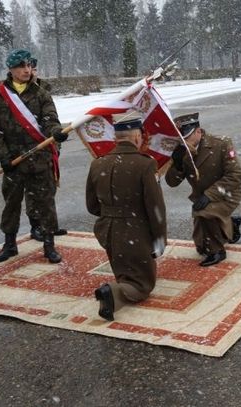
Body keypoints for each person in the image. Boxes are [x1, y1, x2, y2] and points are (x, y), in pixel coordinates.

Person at [0, 49, 68, 264]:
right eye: (22, 66)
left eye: (29, 66)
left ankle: (49, 245)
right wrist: (3, 157)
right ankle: (9, 244)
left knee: (46, 204)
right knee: (11, 204)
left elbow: (50, 117)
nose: (27, 70)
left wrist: (55, 131)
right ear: (11, 70)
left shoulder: (41, 93)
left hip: (39, 158)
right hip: (13, 161)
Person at [86, 112, 167, 321]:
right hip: (135, 230)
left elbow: (92, 205)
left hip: (108, 231)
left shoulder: (98, 163)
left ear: (116, 138)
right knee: (142, 284)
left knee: (124, 269)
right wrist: (159, 240)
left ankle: (119, 286)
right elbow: (155, 209)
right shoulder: (145, 164)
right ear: (137, 137)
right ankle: (113, 294)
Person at [165, 112, 241, 267]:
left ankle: (217, 252)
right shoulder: (182, 150)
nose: (184, 142)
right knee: (201, 246)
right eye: (181, 139)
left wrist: (209, 195)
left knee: (204, 214)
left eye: (186, 137)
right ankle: (230, 226)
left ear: (198, 132)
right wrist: (178, 164)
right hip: (201, 196)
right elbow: (172, 182)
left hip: (226, 193)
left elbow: (235, 175)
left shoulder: (221, 143)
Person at [27, 56, 67, 241]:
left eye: (34, 69)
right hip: (30, 150)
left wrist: (56, 143)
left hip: (48, 148)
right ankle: (36, 226)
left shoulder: (43, 91)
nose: (32, 73)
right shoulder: (16, 95)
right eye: (29, 69)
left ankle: (50, 225)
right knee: (33, 191)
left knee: (49, 188)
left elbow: (52, 119)